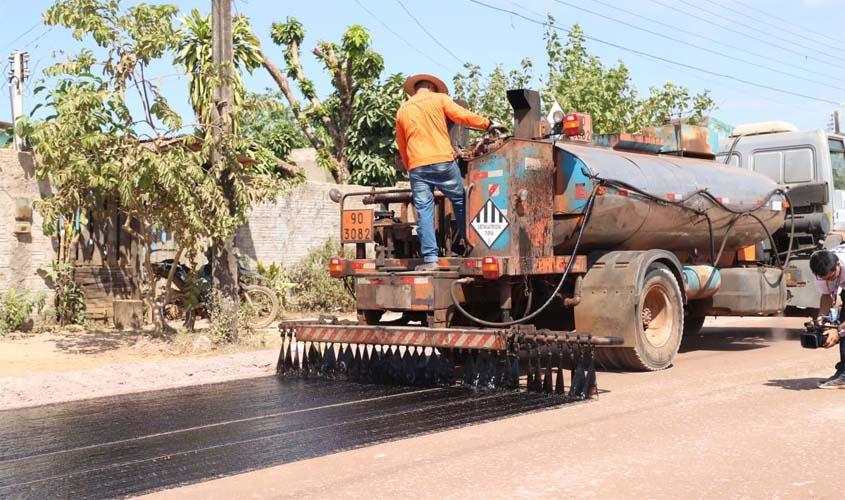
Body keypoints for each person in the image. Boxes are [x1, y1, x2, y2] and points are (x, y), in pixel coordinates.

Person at [395, 73, 506, 271]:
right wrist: (487, 123)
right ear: (431, 87)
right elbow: (462, 116)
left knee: (424, 210)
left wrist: (410, 165)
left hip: (417, 166)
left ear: (417, 88)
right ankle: (469, 245)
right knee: (462, 200)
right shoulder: (440, 99)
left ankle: (430, 260)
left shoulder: (403, 110)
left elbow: (402, 144)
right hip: (442, 162)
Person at [809, 248, 845, 389]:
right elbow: (826, 296)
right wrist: (821, 318)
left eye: (831, 277)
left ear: (838, 265)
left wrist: (838, 329)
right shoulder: (822, 273)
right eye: (825, 279)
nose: (829, 280)